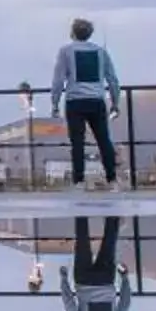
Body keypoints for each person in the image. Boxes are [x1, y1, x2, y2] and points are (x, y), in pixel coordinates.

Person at [51, 17, 121, 187]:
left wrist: (55, 102)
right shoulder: (100, 52)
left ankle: (79, 180)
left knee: (77, 142)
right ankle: (112, 178)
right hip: (97, 100)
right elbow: (112, 79)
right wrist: (115, 102)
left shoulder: (65, 51)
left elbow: (59, 79)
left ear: (73, 32)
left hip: (75, 101)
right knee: (104, 139)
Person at [61, 214, 130, 311]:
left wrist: (125, 279)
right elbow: (70, 306)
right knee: (82, 241)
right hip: (83, 281)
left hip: (106, 281)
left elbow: (124, 305)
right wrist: (63, 280)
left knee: (109, 242)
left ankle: (112, 210)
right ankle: (80, 209)